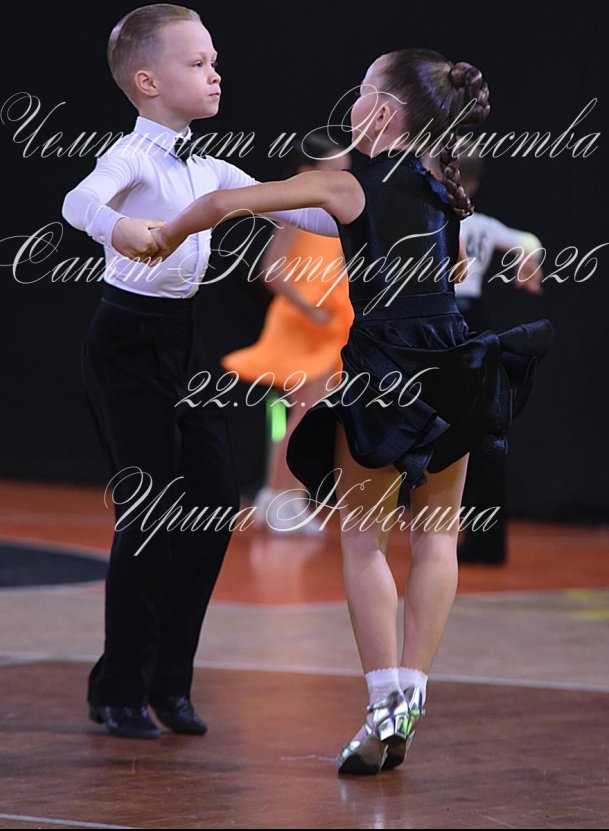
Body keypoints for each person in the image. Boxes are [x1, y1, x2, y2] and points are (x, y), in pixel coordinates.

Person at [139, 48, 554, 774]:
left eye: (361, 91)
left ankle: (383, 703)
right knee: (437, 540)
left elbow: (225, 205)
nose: (352, 103)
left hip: (388, 368)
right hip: (459, 364)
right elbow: (450, 268)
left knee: (364, 541)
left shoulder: (348, 183)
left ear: (384, 112)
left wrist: (162, 237)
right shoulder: (441, 184)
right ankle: (411, 694)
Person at [60, 3, 341, 739]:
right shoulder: (131, 157)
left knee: (213, 505)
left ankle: (168, 682)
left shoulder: (214, 169)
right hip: (125, 345)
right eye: (198, 62)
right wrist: (119, 225)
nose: (216, 74)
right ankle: (119, 686)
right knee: (149, 514)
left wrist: (366, 201)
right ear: (148, 81)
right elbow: (78, 200)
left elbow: (308, 216)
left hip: (182, 342)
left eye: (214, 61)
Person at [221, 134, 353, 535]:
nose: (343, 176)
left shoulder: (339, 211)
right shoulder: (299, 209)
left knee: (308, 415)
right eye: (334, 170)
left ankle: (283, 498)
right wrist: (309, 308)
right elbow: (272, 269)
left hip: (330, 324)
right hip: (302, 323)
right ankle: (280, 499)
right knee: (301, 415)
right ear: (306, 172)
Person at [420, 149, 546, 563]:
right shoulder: (484, 224)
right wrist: (528, 264)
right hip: (474, 324)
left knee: (441, 424)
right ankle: (481, 539)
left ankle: (436, 525)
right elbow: (529, 240)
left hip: (442, 320)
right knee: (480, 426)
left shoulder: (432, 214)